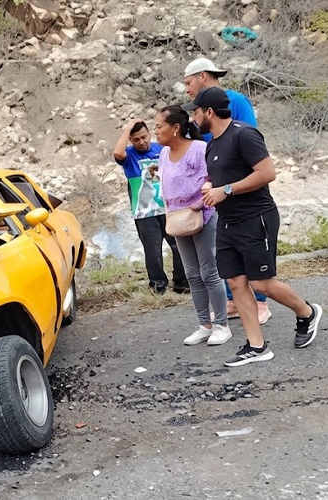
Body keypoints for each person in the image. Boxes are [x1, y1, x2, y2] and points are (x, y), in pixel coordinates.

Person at [185, 87, 323, 366]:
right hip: (227, 222)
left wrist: (226, 189)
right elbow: (223, 178)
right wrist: (211, 188)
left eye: (195, 112)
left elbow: (267, 173)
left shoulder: (244, 134)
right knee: (236, 283)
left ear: (209, 112)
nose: (193, 118)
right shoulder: (212, 144)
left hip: (255, 218)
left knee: (261, 283)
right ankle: (257, 346)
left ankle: (307, 312)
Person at [184, 57, 272, 325]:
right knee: (226, 254)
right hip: (219, 191)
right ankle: (234, 301)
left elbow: (251, 144)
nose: (187, 89)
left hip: (245, 195)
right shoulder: (198, 115)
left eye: (188, 82)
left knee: (253, 254)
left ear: (202, 76)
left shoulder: (237, 102)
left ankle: (262, 302)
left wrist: (229, 186)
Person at [155, 106, 232, 346]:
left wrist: (200, 202)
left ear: (175, 128)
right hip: (178, 219)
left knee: (209, 271)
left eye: (159, 126)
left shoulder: (199, 149)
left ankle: (222, 325)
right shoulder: (164, 154)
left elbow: (214, 177)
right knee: (192, 274)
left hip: (203, 215)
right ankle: (204, 325)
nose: (155, 131)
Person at [113, 118, 188, 294]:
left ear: (149, 134)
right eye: (136, 139)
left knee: (179, 245)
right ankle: (158, 285)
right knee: (152, 251)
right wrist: (128, 127)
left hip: (168, 207)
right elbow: (117, 152)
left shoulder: (162, 149)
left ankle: (181, 282)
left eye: (144, 137)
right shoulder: (129, 155)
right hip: (144, 212)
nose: (142, 142)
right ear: (130, 140)